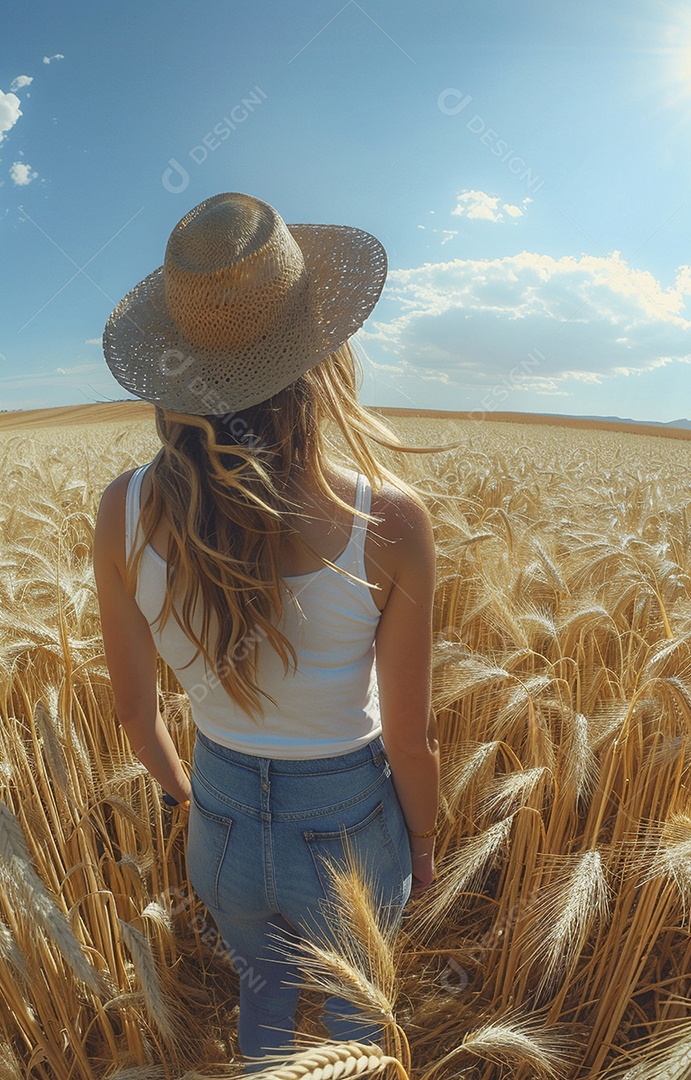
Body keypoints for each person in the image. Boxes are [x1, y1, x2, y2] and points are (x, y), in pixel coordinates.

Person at [93, 192, 439, 1068]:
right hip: (351, 824)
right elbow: (409, 737)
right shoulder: (390, 521)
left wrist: (196, 805)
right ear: (321, 353)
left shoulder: (122, 511)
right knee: (360, 1028)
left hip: (220, 812)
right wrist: (426, 843)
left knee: (263, 999)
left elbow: (135, 715)